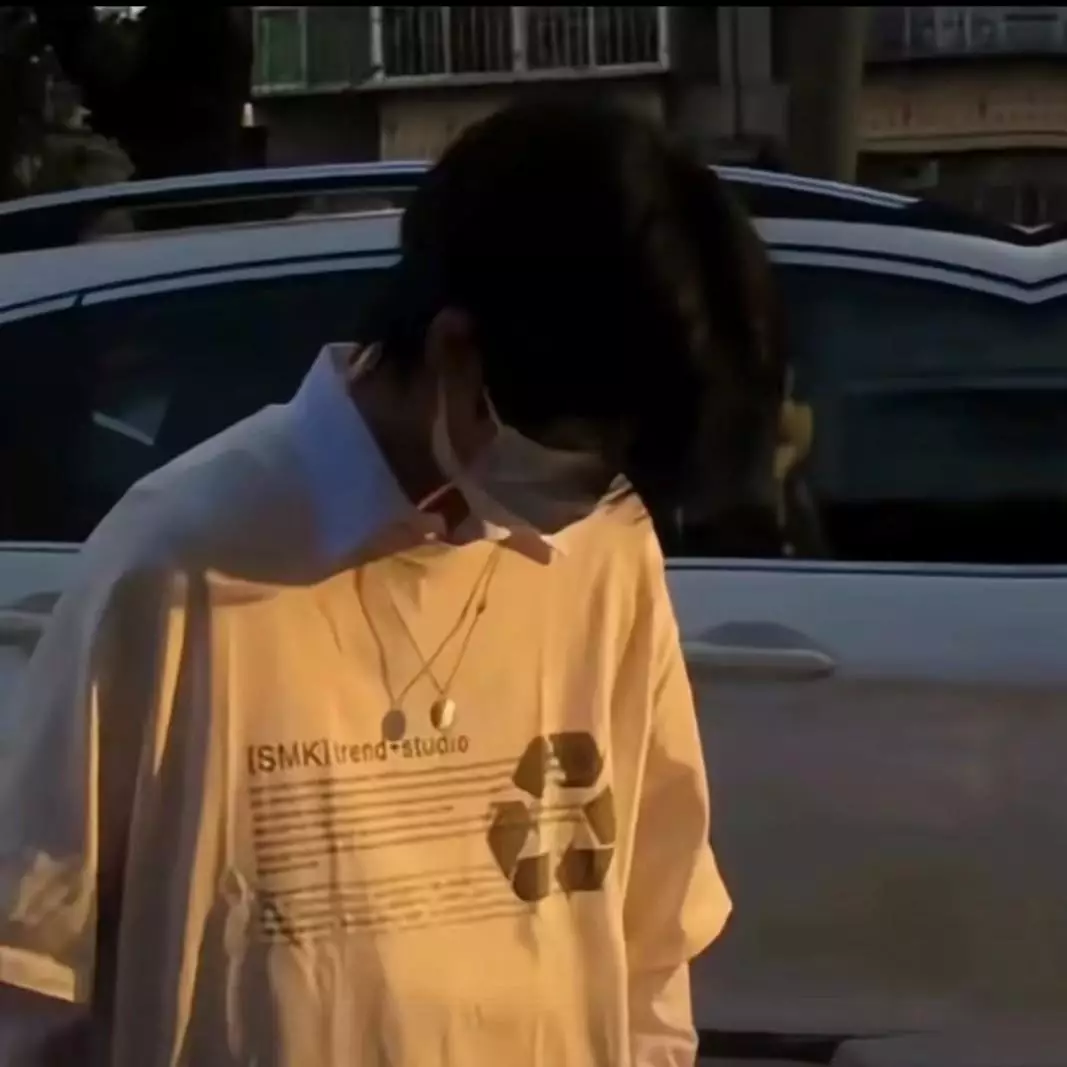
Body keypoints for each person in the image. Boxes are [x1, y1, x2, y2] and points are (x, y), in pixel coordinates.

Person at [0, 99, 780, 1067]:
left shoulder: (606, 554)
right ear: (455, 354)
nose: (591, 499)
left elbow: (651, 948)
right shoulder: (180, 568)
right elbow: (30, 981)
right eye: (584, 456)